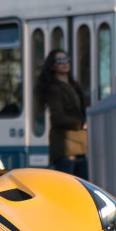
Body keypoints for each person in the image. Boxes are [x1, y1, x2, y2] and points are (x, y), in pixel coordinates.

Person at [35, 49, 88, 178]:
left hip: (80, 145)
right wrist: (81, 124)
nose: (65, 63)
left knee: (84, 188)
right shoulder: (54, 88)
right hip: (65, 147)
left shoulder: (73, 85)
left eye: (67, 59)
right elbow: (58, 117)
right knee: (69, 189)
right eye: (60, 61)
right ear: (53, 66)